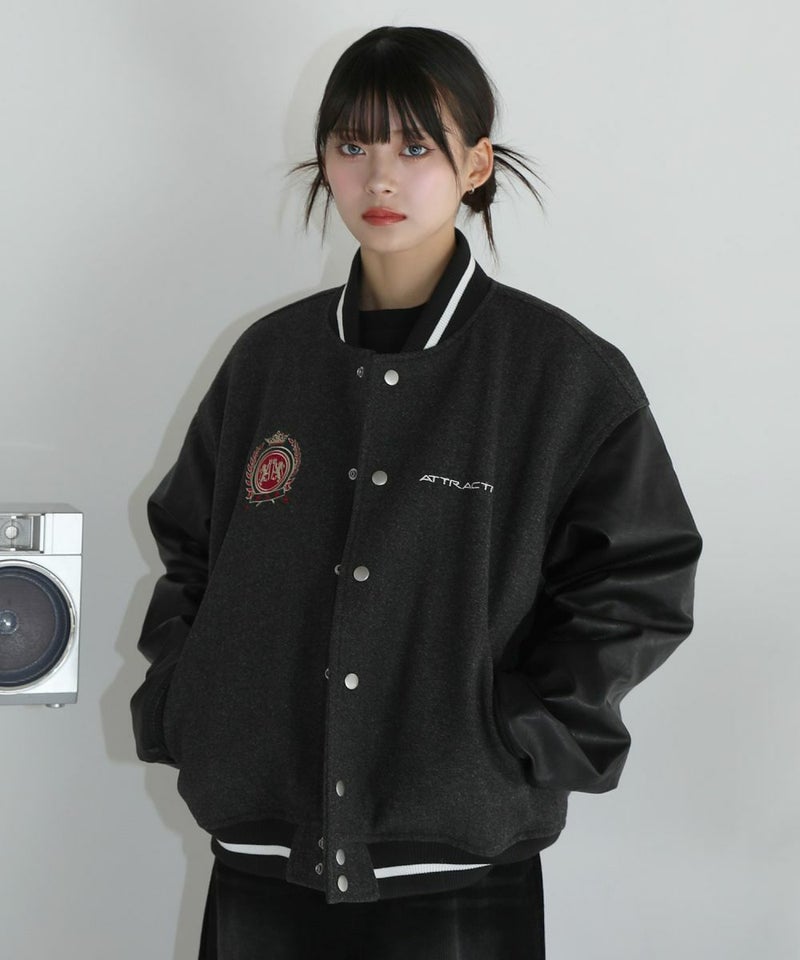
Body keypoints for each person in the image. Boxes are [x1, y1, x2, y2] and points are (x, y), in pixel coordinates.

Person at [130, 25, 703, 960]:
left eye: (415, 146)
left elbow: (640, 578)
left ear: (475, 163)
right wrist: (188, 698)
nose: (380, 177)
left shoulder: (558, 374)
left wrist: (525, 731)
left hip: (457, 863)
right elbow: (191, 547)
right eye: (353, 145)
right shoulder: (270, 361)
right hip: (262, 846)